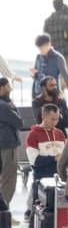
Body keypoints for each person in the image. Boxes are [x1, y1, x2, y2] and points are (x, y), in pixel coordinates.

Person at [29, 32, 68, 105]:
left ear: (49, 44)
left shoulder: (58, 58)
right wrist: (33, 74)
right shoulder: (38, 57)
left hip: (52, 95)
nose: (40, 50)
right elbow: (36, 76)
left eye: (42, 48)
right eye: (39, 48)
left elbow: (66, 77)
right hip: (38, 94)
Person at [0, 78, 22, 208]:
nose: (10, 90)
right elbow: (19, 122)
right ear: (1, 88)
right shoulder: (4, 105)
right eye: (8, 87)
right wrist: (13, 107)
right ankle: (4, 210)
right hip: (8, 145)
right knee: (8, 178)